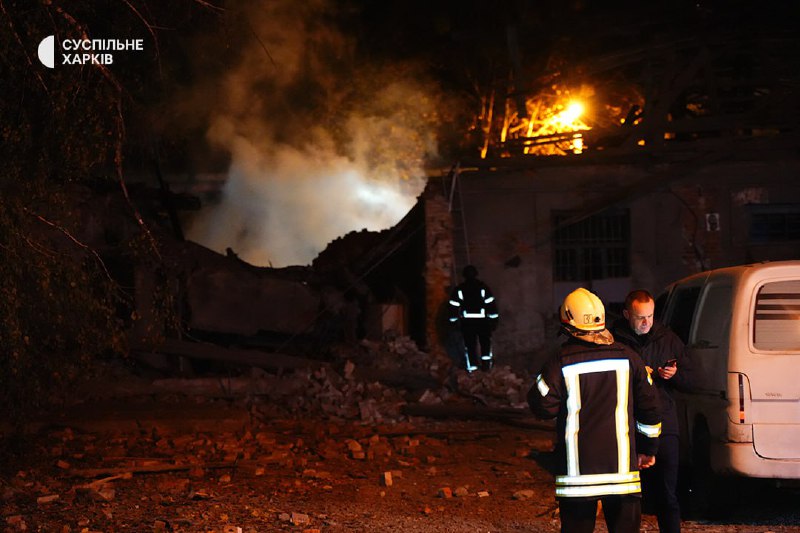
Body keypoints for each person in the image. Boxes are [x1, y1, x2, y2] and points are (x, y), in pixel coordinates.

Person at [529, 287, 662, 533]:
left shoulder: (560, 361)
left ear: (567, 322)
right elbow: (651, 410)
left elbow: (542, 406)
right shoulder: (630, 358)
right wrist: (647, 449)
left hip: (577, 478)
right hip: (623, 475)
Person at [611, 289, 696, 533]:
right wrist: (636, 376)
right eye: (640, 317)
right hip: (626, 426)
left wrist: (675, 376)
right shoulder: (614, 341)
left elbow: (693, 382)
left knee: (667, 495)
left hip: (664, 426)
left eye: (650, 316)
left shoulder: (668, 339)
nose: (647, 322)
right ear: (627, 314)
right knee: (629, 498)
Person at [448, 265, 499, 372]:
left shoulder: (460, 289)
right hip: (483, 322)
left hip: (467, 323)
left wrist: (453, 322)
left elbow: (453, 307)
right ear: (476, 274)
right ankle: (486, 366)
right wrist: (494, 320)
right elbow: (491, 304)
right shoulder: (483, 287)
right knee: (485, 344)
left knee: (470, 346)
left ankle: (473, 369)